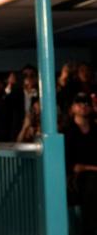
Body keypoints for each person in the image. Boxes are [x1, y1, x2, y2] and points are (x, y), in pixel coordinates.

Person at [64, 92, 97, 235]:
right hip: (76, 179)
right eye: (79, 103)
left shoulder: (96, 130)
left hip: (92, 175)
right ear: (72, 108)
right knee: (92, 182)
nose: (83, 106)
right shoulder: (67, 132)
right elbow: (73, 166)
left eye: (86, 103)